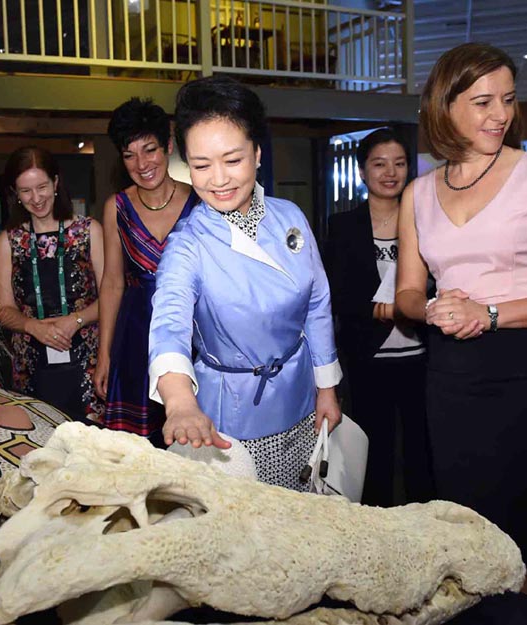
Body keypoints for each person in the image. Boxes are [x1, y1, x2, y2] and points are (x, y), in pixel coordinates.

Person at [395, 43, 527, 597]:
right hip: (451, 376)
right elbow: (408, 295)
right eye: (483, 102)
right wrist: (434, 308)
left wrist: (489, 314)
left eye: (509, 100)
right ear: (445, 106)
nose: (501, 115)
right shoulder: (417, 193)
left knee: (520, 547)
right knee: (467, 537)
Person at [147, 76, 342, 490]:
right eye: (201, 165)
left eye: (232, 160)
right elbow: (168, 325)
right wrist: (180, 403)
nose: (218, 179)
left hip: (302, 397)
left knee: (305, 511)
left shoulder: (289, 216)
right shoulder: (187, 245)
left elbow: (317, 303)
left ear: (256, 153)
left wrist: (326, 388)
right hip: (234, 419)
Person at [324, 127, 434, 507]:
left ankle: (427, 525)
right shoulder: (343, 226)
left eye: (399, 164)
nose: (390, 173)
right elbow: (335, 293)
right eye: (379, 164)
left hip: (423, 357)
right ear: (362, 171)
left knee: (424, 452)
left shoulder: (426, 221)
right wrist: (385, 309)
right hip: (368, 357)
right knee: (374, 453)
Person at [94, 98, 197, 445]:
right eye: (129, 155)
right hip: (135, 336)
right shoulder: (117, 207)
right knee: (138, 452)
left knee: (191, 441)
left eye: (149, 149)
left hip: (192, 332)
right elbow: (112, 284)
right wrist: (104, 355)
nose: (141, 164)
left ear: (168, 146)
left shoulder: (201, 202)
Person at [0, 146, 104, 422]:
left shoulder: (89, 231)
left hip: (89, 360)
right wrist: (33, 326)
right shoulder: (8, 241)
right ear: (15, 194)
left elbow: (111, 297)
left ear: (55, 183)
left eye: (41, 187)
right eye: (26, 191)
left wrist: (75, 320)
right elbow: (3, 309)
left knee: (92, 442)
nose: (36, 198)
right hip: (30, 363)